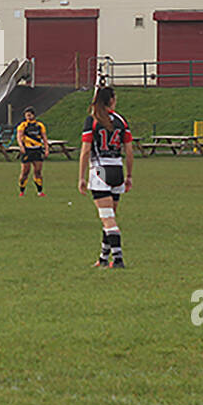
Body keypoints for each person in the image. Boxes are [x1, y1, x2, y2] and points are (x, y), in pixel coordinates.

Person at [78, 86, 133, 269]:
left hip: (100, 171)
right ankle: (103, 258)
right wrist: (130, 175)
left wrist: (82, 177)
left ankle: (117, 258)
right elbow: (129, 150)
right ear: (111, 100)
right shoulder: (120, 120)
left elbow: (86, 151)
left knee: (108, 219)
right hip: (117, 169)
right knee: (110, 217)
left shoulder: (92, 121)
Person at [15, 106, 49, 197]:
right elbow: (19, 136)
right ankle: (22, 191)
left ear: (33, 115)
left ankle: (40, 191)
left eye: (30, 115)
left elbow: (44, 138)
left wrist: (46, 149)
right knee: (25, 171)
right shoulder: (23, 125)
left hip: (37, 150)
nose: (28, 117)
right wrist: (21, 146)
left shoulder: (39, 125)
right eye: (27, 115)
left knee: (38, 171)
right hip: (27, 150)